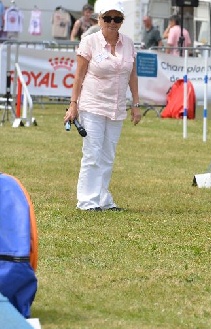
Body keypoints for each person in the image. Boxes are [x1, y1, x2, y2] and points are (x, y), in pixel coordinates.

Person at [63, 0, 141, 211]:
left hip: (116, 107)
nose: (112, 22)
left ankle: (104, 199)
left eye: (117, 19)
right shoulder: (89, 42)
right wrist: (73, 105)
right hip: (92, 105)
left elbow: (132, 75)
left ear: (122, 21)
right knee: (92, 154)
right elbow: (78, 77)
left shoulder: (129, 44)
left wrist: (135, 104)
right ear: (99, 19)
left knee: (108, 155)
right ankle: (87, 201)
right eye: (107, 18)